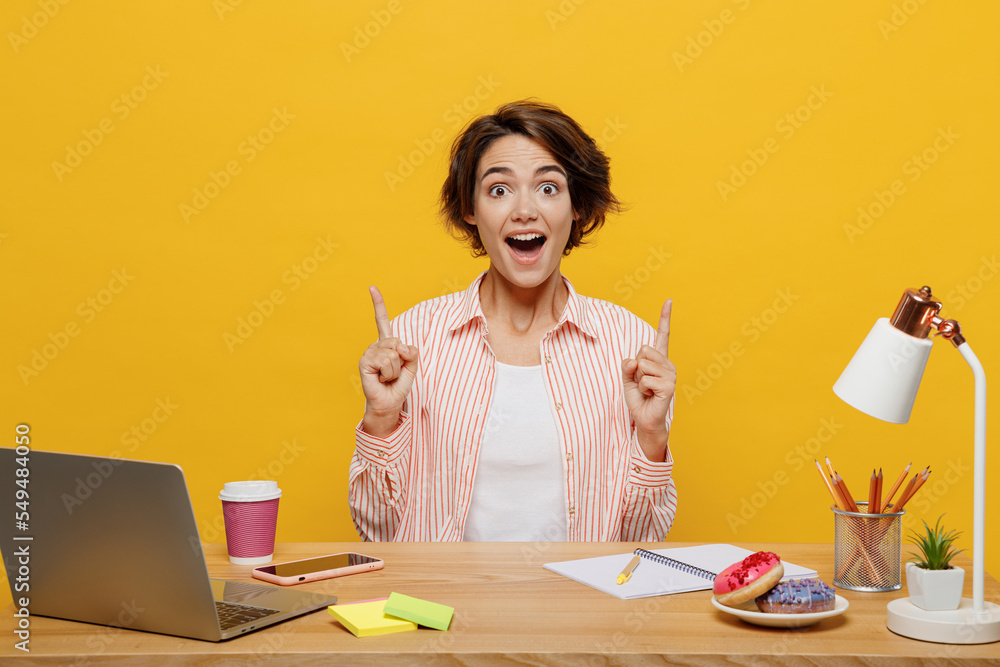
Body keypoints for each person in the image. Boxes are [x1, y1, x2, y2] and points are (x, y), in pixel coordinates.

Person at [349, 99, 676, 542]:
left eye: (548, 188)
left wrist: (652, 437)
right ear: (470, 209)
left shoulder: (630, 346)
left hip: (583, 610)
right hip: (444, 609)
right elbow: (379, 534)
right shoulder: (413, 341)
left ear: (576, 206)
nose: (524, 210)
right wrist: (381, 420)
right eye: (499, 190)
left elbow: (641, 544)